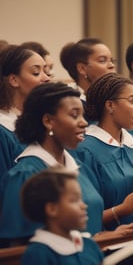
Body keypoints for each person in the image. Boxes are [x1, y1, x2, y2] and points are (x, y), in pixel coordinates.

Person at [0, 82, 104, 246]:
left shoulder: (79, 167)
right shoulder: (25, 175)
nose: (84, 123)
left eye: (83, 115)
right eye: (74, 115)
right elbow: (18, 249)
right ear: (48, 120)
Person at [74, 73, 133, 230]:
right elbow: (85, 217)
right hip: (109, 240)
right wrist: (123, 209)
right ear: (110, 105)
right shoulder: (85, 151)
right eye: (132, 101)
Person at [20, 166, 104, 265]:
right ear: (52, 209)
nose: (84, 206)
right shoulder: (38, 254)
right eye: (74, 200)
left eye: (81, 199)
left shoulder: (89, 245)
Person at [0, 44, 50, 180]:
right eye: (36, 72)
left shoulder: (39, 120)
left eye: (46, 71)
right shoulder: (4, 130)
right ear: (14, 80)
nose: (46, 78)